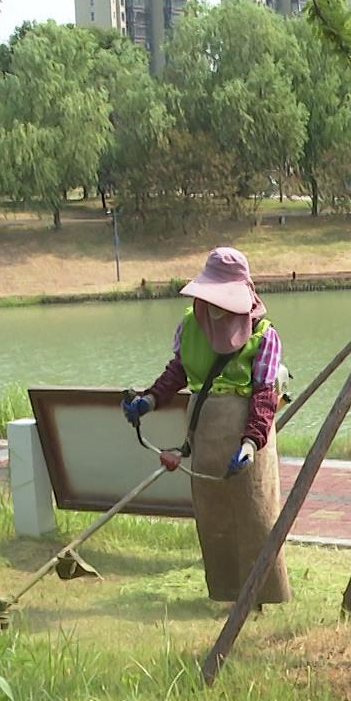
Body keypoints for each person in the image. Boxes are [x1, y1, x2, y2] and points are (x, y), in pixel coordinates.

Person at [122, 247, 291, 604]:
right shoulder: (190, 325)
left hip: (247, 441)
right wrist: (148, 401)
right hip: (205, 437)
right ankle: (227, 592)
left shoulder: (264, 336)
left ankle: (260, 596)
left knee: (255, 518)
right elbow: (177, 373)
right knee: (215, 521)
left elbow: (264, 397)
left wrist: (250, 444)